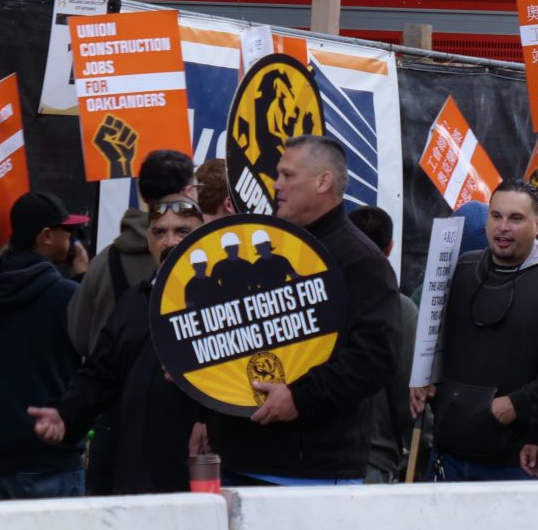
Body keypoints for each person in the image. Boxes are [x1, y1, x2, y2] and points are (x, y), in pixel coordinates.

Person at [200, 135, 402, 485]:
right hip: (237, 458)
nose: (275, 185)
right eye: (278, 174)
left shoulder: (361, 261)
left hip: (311, 472)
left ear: (323, 181)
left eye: (287, 175)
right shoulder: (269, 249)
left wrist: (300, 397)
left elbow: (374, 358)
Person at [28, 196, 204, 495]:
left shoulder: (227, 297)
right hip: (139, 474)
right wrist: (65, 413)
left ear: (203, 237)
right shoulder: (135, 302)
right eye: (160, 232)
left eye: (183, 232)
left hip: (201, 476)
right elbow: (100, 374)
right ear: (149, 240)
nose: (170, 241)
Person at [413, 180, 538, 481]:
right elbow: (440, 340)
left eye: (515, 218)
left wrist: (518, 404)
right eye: (496, 216)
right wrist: (426, 378)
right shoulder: (463, 268)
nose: (503, 227)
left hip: (518, 459)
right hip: (449, 453)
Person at [0, 191, 92, 498]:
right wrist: (82, 277)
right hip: (51, 460)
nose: (74, 241)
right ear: (46, 236)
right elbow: (95, 362)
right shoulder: (64, 295)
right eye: (68, 232)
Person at [67, 148, 195, 356]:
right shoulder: (201, 259)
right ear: (188, 192)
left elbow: (79, 338)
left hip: (114, 385)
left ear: (142, 192)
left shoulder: (103, 263)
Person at [348, 203, 416, 482]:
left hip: (322, 460)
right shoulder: (400, 309)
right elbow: (408, 398)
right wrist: (421, 448)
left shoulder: (321, 299)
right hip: (373, 463)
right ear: (390, 247)